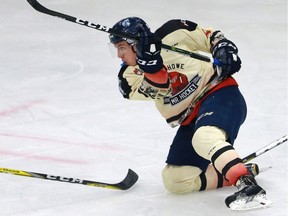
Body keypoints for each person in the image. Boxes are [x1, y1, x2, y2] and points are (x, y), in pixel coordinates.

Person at [108, 17, 271, 210]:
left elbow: (211, 37)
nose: (118, 55)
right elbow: (161, 87)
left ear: (135, 44)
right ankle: (236, 168)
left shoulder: (174, 32)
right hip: (190, 118)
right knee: (176, 181)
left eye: (121, 48)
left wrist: (224, 49)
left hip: (220, 94)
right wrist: (150, 66)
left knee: (204, 137)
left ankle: (246, 184)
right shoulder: (128, 78)